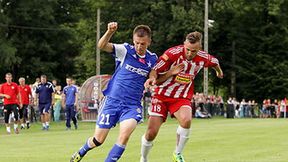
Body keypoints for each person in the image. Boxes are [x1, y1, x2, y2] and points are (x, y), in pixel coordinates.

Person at [70, 22, 158, 162]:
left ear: (149, 42)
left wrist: (151, 79)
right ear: (133, 40)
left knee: (124, 136)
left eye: (143, 44)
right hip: (112, 101)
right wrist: (109, 32)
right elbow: (101, 45)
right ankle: (81, 151)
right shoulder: (125, 50)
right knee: (98, 140)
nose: (139, 47)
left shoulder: (152, 58)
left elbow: (153, 73)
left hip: (132, 105)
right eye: (136, 43)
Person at [140, 31, 223, 162]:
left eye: (194, 51)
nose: (190, 53)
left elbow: (215, 62)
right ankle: (144, 158)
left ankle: (177, 153)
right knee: (151, 133)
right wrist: (168, 73)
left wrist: (219, 72)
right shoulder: (172, 54)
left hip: (181, 97)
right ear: (184, 44)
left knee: (186, 120)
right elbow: (155, 73)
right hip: (161, 95)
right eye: (188, 50)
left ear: (199, 49)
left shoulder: (203, 57)